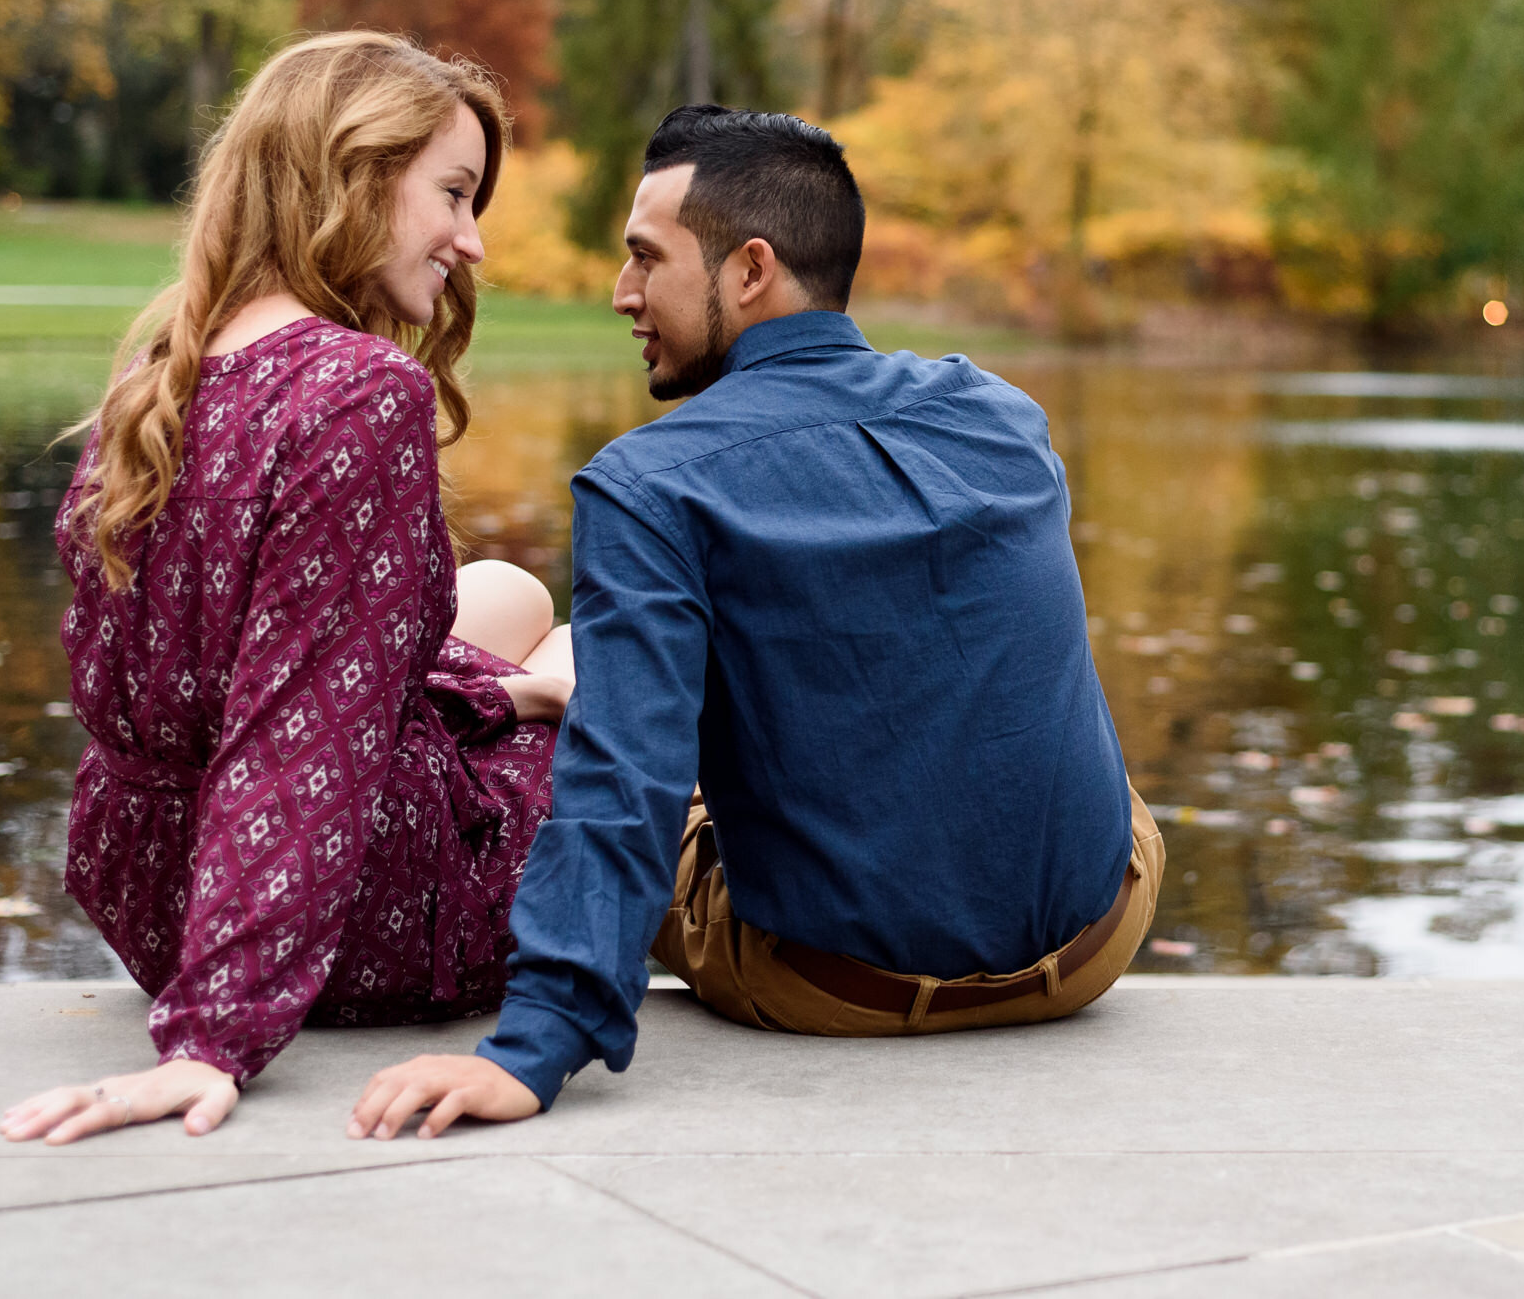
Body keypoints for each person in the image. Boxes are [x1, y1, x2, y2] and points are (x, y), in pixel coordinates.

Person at [347, 105, 1163, 1140]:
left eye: (645, 259)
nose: (620, 293)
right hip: (1089, 953)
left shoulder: (651, 484)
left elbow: (623, 781)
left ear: (750, 270)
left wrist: (534, 1044)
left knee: (620, 728)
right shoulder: (1002, 414)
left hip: (837, 988)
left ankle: (548, 684)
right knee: (1067, 745)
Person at [2, 32, 575, 1147]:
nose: (474, 239)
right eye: (453, 193)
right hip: (360, 907)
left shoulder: (171, 361)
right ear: (354, 177)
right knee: (619, 659)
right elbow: (299, 734)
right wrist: (214, 1034)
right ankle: (548, 696)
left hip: (143, 883)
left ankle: (525, 692)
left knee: (502, 590)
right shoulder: (363, 390)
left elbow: (181, 673)